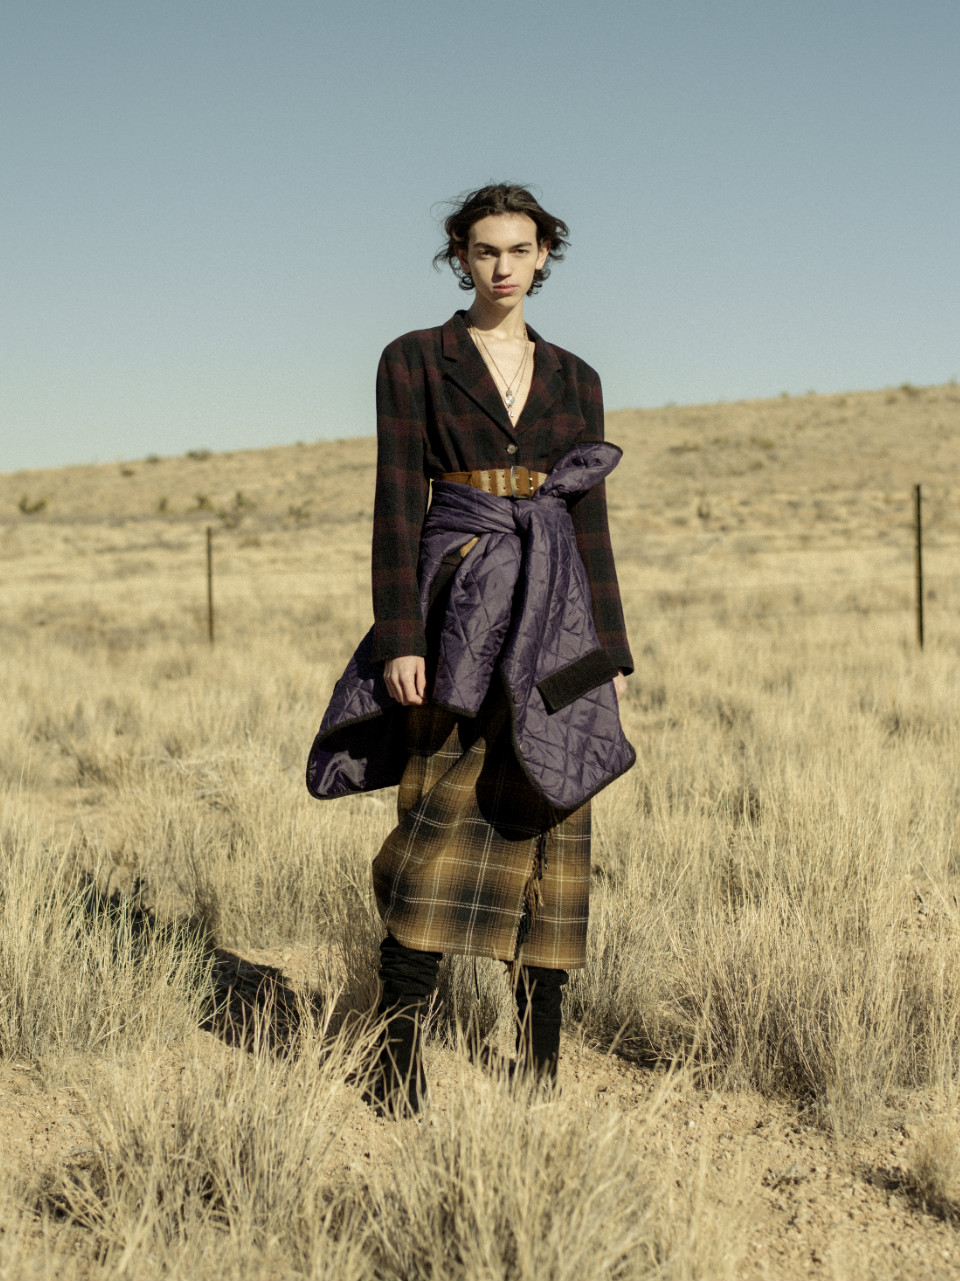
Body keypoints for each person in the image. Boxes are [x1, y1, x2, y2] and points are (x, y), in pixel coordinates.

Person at [307, 183, 634, 1115]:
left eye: (520, 249)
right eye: (485, 250)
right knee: (433, 822)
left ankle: (539, 1061)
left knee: (554, 816)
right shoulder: (415, 358)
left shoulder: (577, 376)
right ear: (461, 256)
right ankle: (395, 1058)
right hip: (455, 616)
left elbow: (589, 524)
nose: (503, 266)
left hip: (557, 619)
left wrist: (609, 657)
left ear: (543, 256)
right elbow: (394, 504)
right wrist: (400, 636)